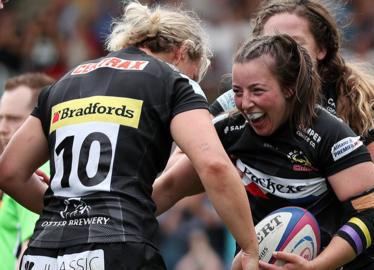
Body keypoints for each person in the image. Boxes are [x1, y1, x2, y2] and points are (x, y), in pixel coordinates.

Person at [0, 2, 258, 270]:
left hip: (43, 254)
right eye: (194, 73)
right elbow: (214, 165)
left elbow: (8, 171)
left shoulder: (65, 81)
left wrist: (67, 210)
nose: (192, 79)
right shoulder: (172, 80)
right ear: (182, 52)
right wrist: (250, 247)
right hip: (118, 248)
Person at [155, 34, 374, 269]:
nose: (245, 103)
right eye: (237, 91)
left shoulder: (332, 136)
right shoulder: (229, 129)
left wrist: (315, 266)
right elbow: (170, 186)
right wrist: (122, 215)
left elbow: (372, 218)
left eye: (257, 91)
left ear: (288, 88)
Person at [208, 0, 374, 222]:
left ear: (322, 49)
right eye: (272, 44)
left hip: (345, 251)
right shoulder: (238, 103)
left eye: (295, 44)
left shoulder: (357, 102)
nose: (282, 57)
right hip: (263, 252)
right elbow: (186, 165)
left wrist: (346, 159)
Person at [0, 73, 54, 270]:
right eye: (1, 118)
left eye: (13, 119)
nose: (2, 128)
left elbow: (33, 248)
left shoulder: (32, 170)